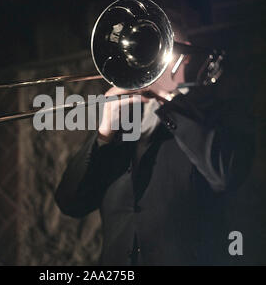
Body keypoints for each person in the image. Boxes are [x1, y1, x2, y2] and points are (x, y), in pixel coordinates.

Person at [54, 28, 255, 265]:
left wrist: (169, 100)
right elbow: (70, 203)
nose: (148, 61)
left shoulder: (214, 111)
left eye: (158, 48)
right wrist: (104, 133)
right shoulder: (122, 122)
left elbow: (225, 174)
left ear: (185, 53)